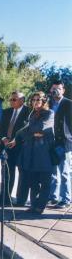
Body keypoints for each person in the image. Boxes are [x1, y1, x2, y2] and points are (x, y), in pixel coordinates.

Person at [15, 91, 55, 214]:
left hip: (44, 154)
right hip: (31, 153)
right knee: (33, 181)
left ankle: (40, 206)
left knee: (45, 182)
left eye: (38, 99)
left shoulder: (49, 113)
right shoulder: (32, 115)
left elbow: (41, 128)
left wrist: (32, 133)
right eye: (34, 99)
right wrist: (33, 134)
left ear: (44, 101)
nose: (36, 102)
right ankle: (33, 205)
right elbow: (21, 133)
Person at [0, 91, 30, 206]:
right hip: (6, 147)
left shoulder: (29, 112)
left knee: (22, 174)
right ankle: (4, 198)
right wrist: (3, 138)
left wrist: (16, 140)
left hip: (21, 147)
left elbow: (27, 130)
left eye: (14, 99)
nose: (11, 101)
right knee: (6, 172)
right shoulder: (6, 112)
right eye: (10, 99)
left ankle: (20, 200)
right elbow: (0, 128)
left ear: (22, 100)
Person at [49, 81, 72, 209]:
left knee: (64, 172)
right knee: (52, 172)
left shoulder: (69, 103)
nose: (56, 91)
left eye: (58, 89)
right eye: (53, 89)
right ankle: (53, 197)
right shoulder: (48, 104)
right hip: (51, 142)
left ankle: (66, 199)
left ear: (63, 90)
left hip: (64, 142)